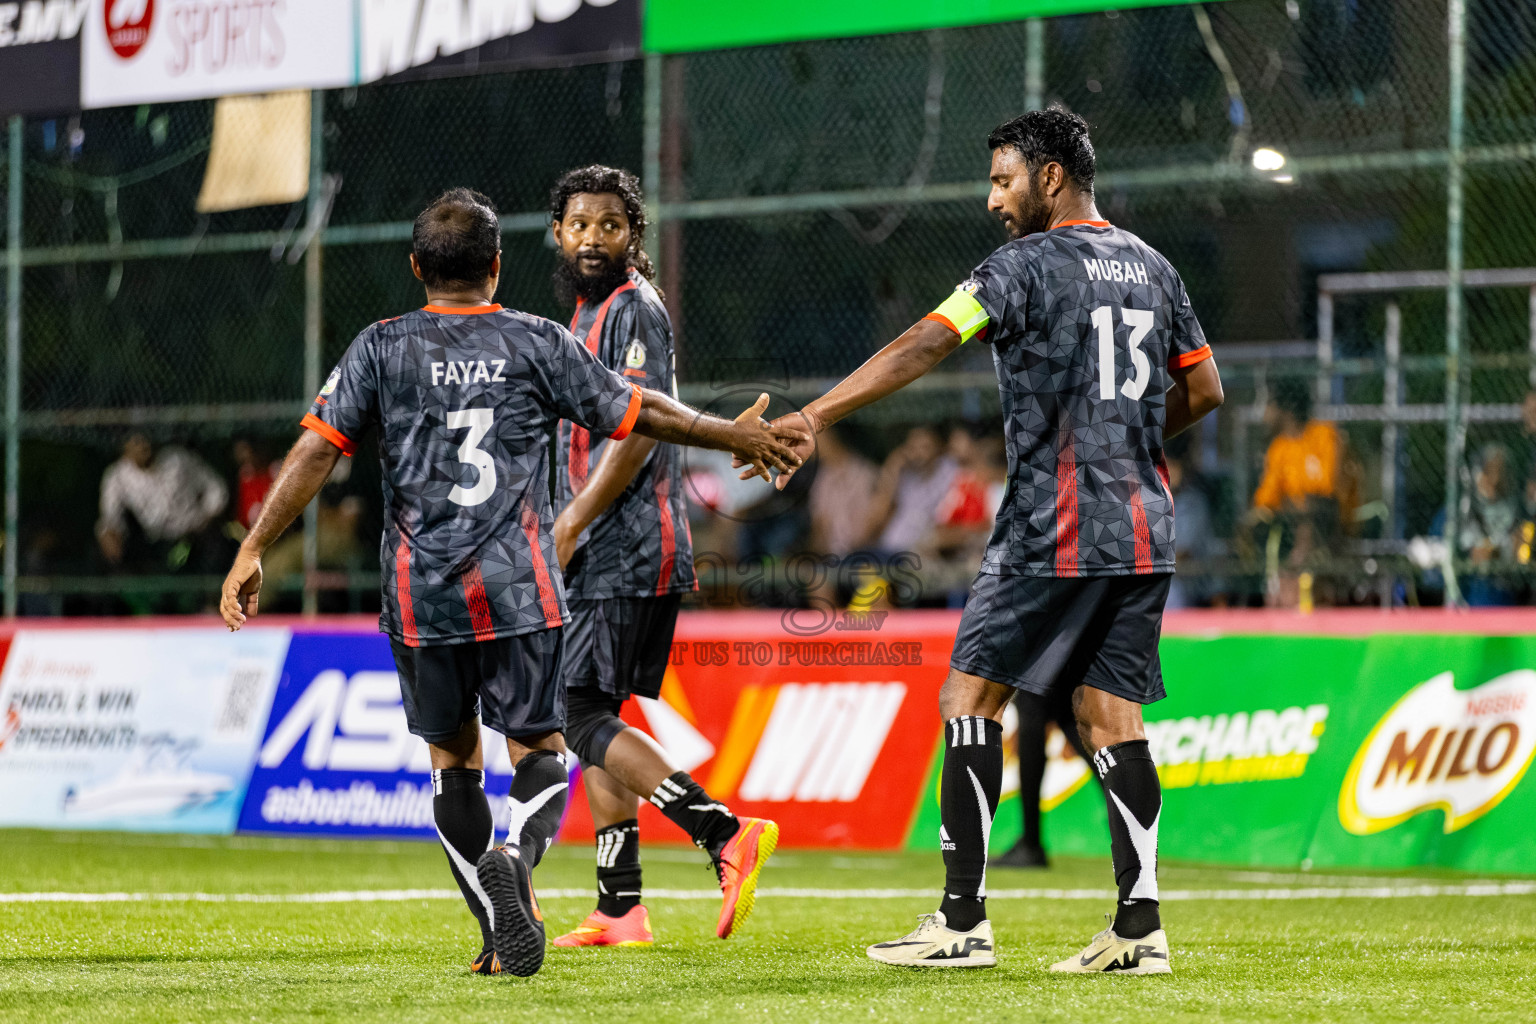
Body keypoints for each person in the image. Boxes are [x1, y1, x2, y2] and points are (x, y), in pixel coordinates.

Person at [219, 187, 804, 978]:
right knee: (542, 750)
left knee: (453, 763)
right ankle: (519, 859)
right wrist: (724, 429)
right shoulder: (534, 339)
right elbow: (638, 412)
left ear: (417, 266)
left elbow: (318, 450)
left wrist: (254, 547)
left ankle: (499, 934)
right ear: (497, 265)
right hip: (519, 586)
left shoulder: (381, 346)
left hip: (419, 591)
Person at [762, 110, 1223, 972]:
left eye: (1003, 179)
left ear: (1051, 177)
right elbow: (1206, 388)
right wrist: (1125, 436)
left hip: (1053, 521)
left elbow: (928, 340)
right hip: (1141, 524)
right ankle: (1139, 930)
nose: (991, 199)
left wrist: (816, 413)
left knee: (970, 700)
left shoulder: (1020, 266)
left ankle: (961, 922)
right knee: (1110, 717)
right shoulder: (1154, 266)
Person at [543, 165, 779, 949]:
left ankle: (723, 835)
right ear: (557, 233)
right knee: (596, 712)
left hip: (625, 544)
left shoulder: (633, 309)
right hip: (606, 545)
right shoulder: (588, 314)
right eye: (579, 224)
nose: (592, 238)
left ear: (633, 237)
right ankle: (620, 906)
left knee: (575, 714)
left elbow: (641, 424)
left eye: (610, 225)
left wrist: (573, 516)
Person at [98, 432, 229, 573]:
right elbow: (110, 516)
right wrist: (110, 534)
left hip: (196, 534)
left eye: (145, 439)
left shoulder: (177, 459)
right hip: (157, 543)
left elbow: (215, 487)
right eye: (136, 443)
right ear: (125, 449)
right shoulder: (117, 476)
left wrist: (208, 515)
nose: (143, 446)